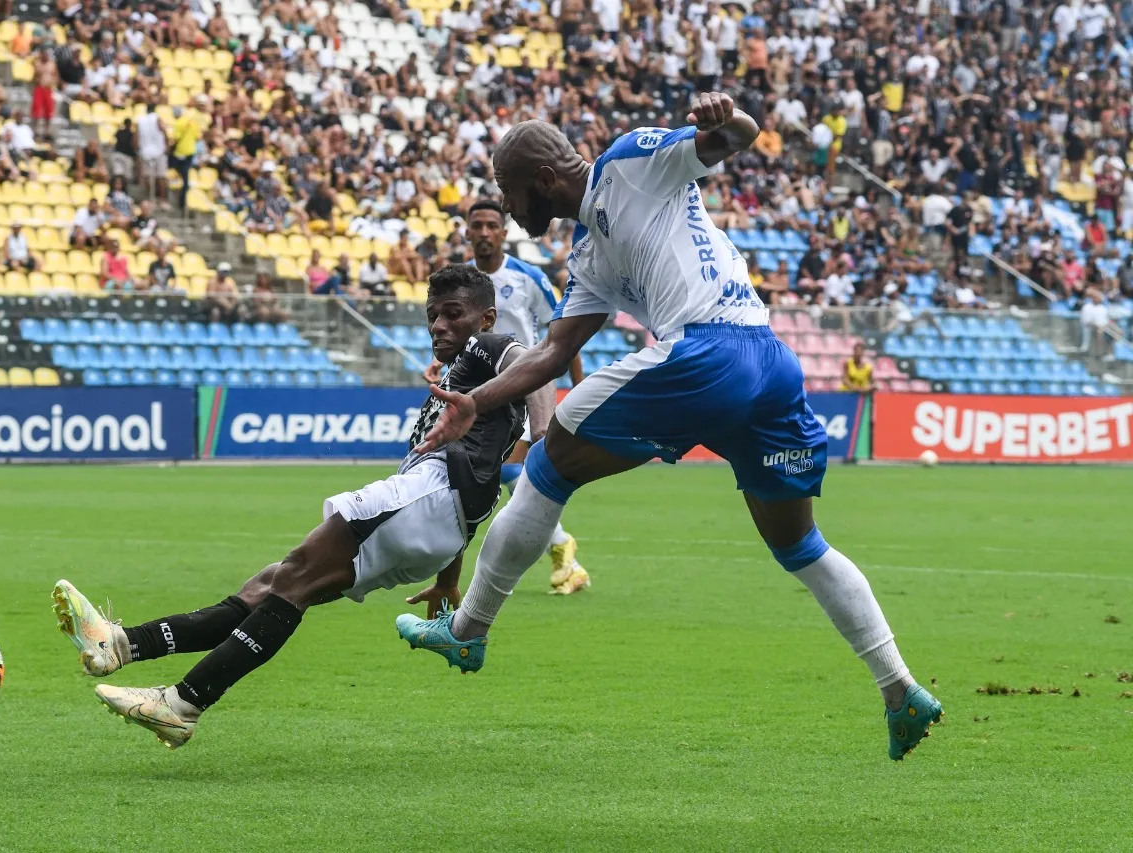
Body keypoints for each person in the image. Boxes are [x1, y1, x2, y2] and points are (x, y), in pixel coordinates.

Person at [395, 95, 943, 762]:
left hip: (709, 353)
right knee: (799, 545)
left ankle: (469, 628)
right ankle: (900, 689)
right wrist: (475, 401)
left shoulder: (630, 162)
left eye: (508, 194)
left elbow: (736, 136)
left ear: (542, 178)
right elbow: (549, 353)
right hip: (771, 366)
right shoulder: (591, 252)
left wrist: (728, 114)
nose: (506, 211)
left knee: (547, 465)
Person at [50, 265, 548, 749]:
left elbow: (539, 368)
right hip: (439, 520)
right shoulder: (464, 375)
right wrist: (445, 577)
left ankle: (182, 703)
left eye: (453, 313)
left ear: (485, 318)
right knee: (269, 587)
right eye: (433, 313)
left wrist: (543, 435)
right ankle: (122, 645)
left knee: (289, 582)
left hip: (427, 500)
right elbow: (467, 487)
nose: (439, 325)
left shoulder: (491, 345)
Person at [423, 199, 589, 593]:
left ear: (502, 232)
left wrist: (577, 391)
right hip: (472, 392)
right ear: (466, 231)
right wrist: (439, 366)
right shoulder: (458, 282)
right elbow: (451, 332)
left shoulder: (528, 277)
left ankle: (561, 549)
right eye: (475, 225)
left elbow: (563, 332)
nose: (483, 232)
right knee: (495, 474)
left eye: (490, 225)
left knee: (506, 471)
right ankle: (562, 550)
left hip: (523, 390)